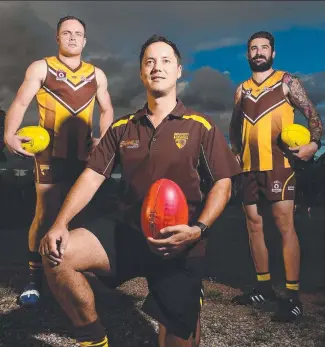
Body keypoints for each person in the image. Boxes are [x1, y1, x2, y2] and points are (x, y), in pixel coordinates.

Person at [39, 35, 241, 347]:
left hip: (180, 241)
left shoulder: (200, 125)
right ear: (141, 72)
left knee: (177, 341)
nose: (157, 67)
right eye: (149, 61)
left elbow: (223, 184)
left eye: (165, 61)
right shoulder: (122, 127)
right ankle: (93, 339)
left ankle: (186, 304)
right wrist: (60, 223)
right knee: (57, 254)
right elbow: (92, 176)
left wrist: (198, 230)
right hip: (129, 231)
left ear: (178, 71)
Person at [4, 15, 114, 307]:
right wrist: (9, 133)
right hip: (49, 154)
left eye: (78, 34)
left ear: (85, 40)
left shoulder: (97, 75)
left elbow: (107, 109)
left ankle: (75, 272)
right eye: (67, 33)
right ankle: (34, 278)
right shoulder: (42, 67)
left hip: (83, 157)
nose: (73, 38)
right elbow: (20, 101)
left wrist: (103, 138)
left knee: (79, 216)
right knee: (44, 214)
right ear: (57, 38)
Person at [229, 31, 323, 322]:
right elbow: (234, 127)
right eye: (253, 48)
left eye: (264, 48)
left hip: (280, 164)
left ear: (273, 53)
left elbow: (313, 115)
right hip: (247, 167)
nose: (258, 52)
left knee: (284, 226)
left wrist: (314, 144)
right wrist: (234, 151)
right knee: (254, 226)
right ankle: (263, 287)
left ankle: (293, 297)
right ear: (247, 55)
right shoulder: (241, 89)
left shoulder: (286, 81)